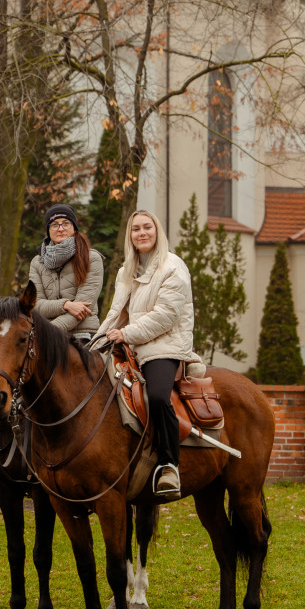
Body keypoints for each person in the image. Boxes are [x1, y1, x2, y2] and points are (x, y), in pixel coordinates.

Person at [98, 209, 194, 499]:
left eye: (147, 228)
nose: (141, 233)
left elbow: (165, 316)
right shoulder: (126, 271)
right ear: (130, 235)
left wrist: (126, 334)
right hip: (131, 345)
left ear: (157, 231)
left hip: (163, 345)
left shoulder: (173, 267)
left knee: (156, 396)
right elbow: (116, 314)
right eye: (135, 229)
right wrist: (95, 343)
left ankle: (169, 464)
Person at [29, 204, 104, 344]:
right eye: (54, 224)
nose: (61, 228)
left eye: (65, 223)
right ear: (48, 230)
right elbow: (36, 305)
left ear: (74, 227)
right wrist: (65, 305)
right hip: (47, 337)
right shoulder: (37, 262)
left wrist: (48, 332)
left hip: (82, 334)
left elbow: (83, 308)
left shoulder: (91, 258)